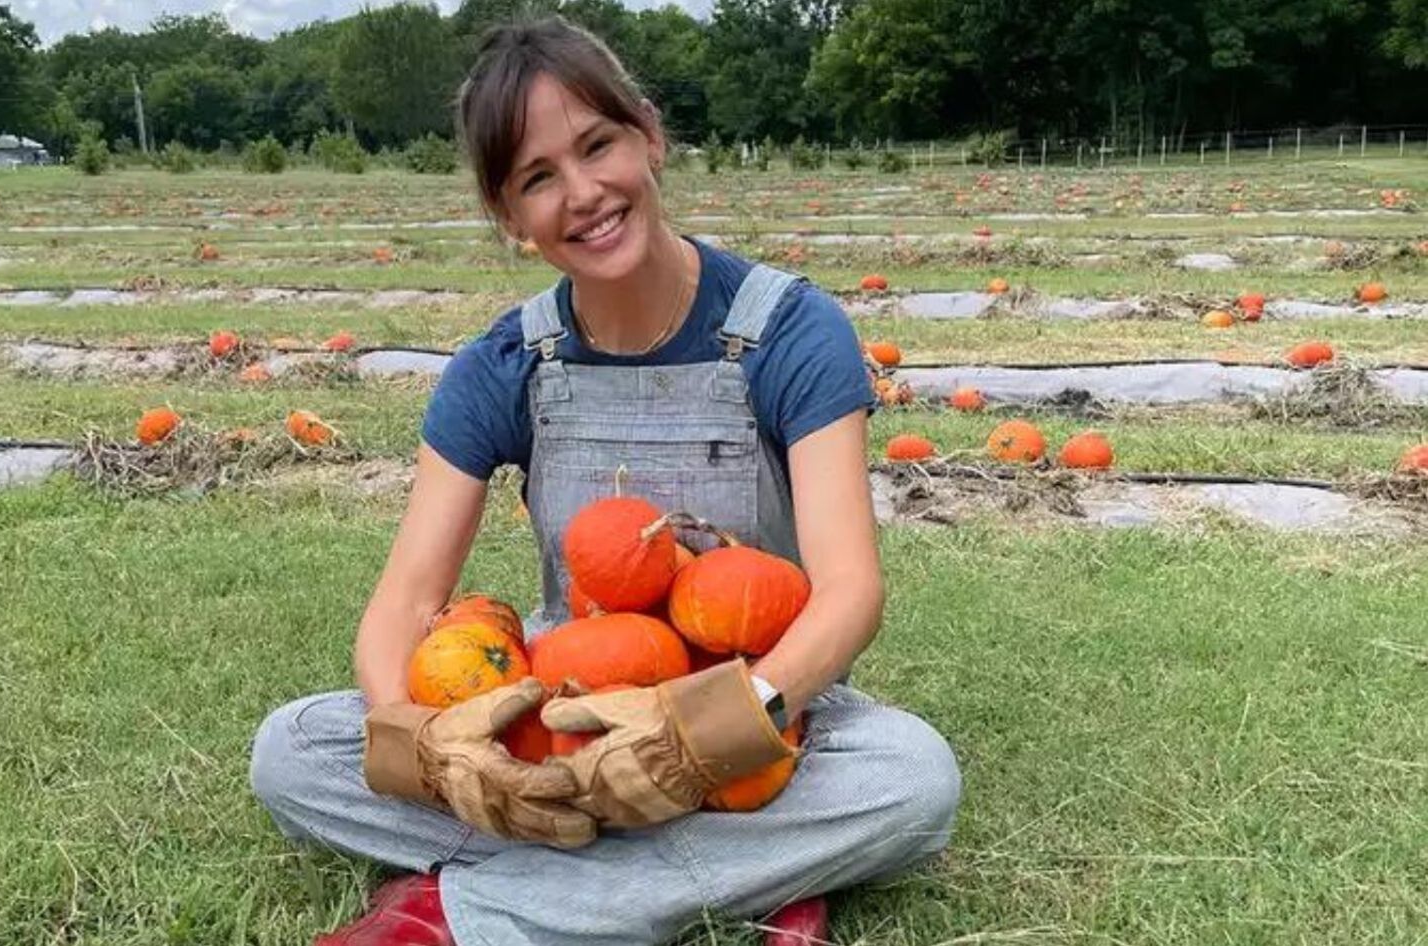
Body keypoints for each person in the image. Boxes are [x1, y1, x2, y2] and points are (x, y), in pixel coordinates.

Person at [250, 17, 961, 946]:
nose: (583, 194)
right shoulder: (502, 364)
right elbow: (404, 605)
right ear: (509, 218)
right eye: (538, 179)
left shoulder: (792, 331)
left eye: (598, 146)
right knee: (293, 751)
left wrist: (715, 732)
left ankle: (460, 911)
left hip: (762, 714)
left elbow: (850, 592)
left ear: (649, 137)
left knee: (912, 778)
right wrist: (428, 748)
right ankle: (748, 883)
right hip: (565, 714)